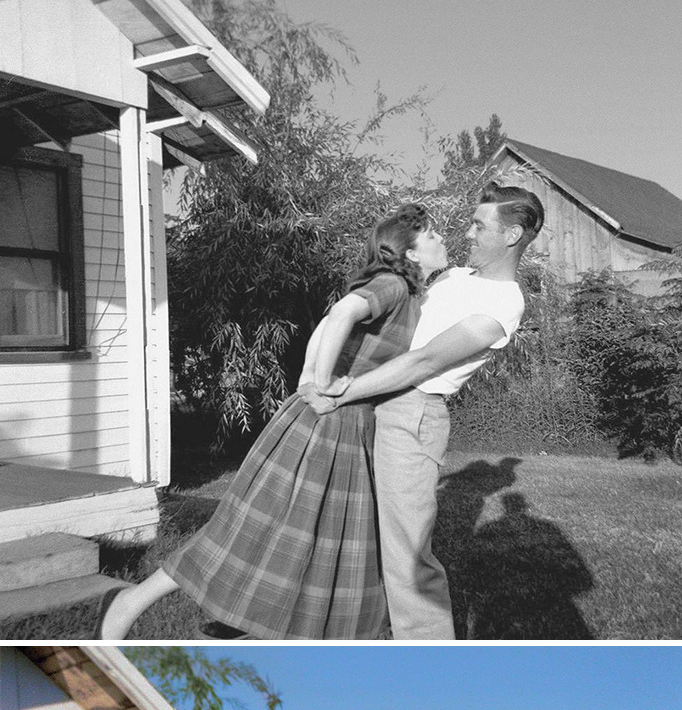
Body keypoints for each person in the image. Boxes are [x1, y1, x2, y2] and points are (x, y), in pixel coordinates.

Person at [97, 205, 448, 641]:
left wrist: (309, 375)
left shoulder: (413, 296)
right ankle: (129, 603)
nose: (441, 240)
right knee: (255, 530)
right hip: (326, 426)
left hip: (350, 426)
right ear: (410, 253)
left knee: (323, 543)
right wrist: (319, 380)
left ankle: (264, 627)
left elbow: (327, 322)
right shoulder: (392, 285)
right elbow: (340, 314)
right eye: (432, 235)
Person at [300, 182, 545, 641]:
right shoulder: (453, 278)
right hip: (374, 400)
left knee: (407, 555)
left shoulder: (503, 304)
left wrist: (340, 391)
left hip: (410, 414)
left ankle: (429, 653)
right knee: (352, 527)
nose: (468, 233)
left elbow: (424, 362)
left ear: (512, 235)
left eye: (479, 225)